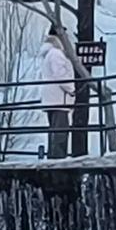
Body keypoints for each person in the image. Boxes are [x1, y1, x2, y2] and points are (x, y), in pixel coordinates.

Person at [40, 26, 76, 160]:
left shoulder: (50, 53)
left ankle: (54, 156)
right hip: (59, 99)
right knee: (61, 132)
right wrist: (71, 89)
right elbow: (60, 75)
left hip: (53, 98)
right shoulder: (56, 53)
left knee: (55, 130)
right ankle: (57, 158)